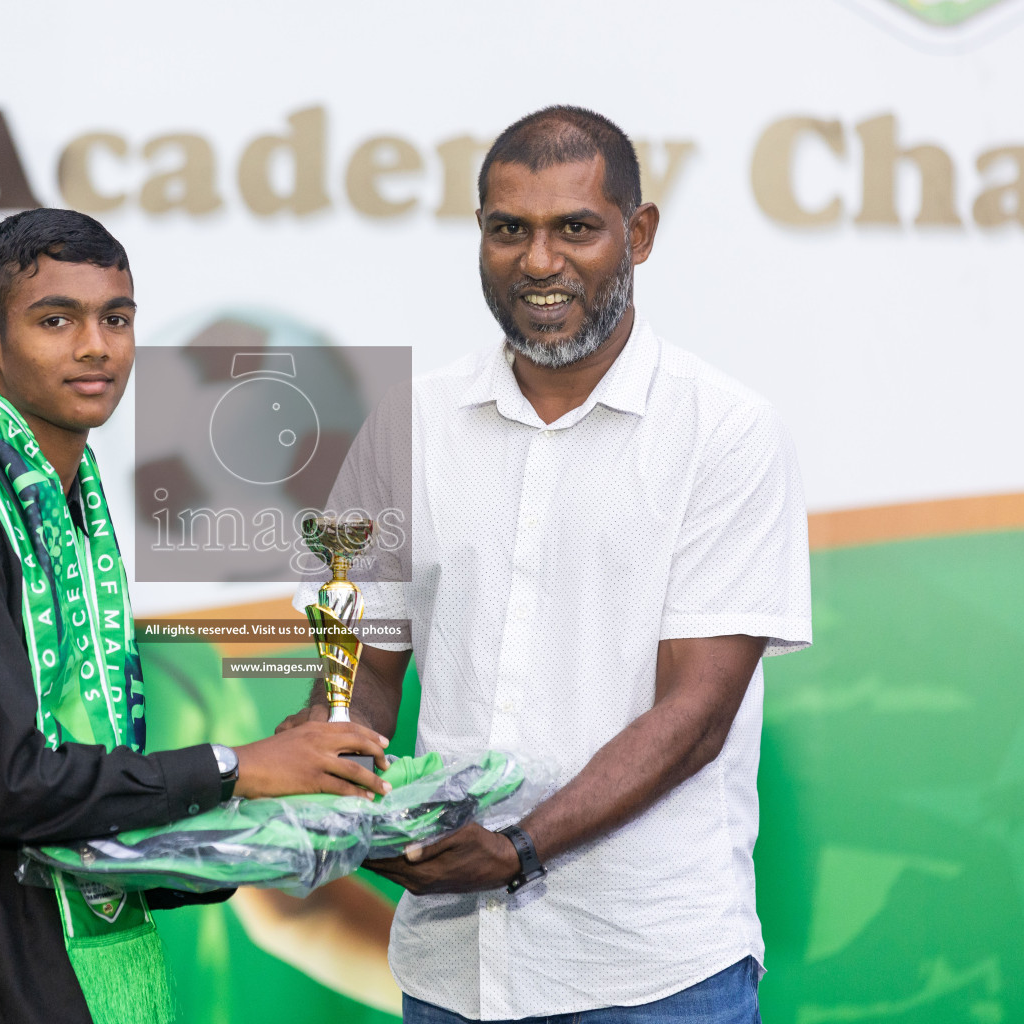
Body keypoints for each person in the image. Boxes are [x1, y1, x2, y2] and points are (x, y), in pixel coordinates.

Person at [283, 106, 813, 1023]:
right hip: (453, 973)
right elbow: (360, 666)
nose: (538, 261)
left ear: (637, 236)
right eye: (508, 229)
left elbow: (696, 713)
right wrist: (340, 779)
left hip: (655, 972)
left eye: (575, 227)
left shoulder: (726, 433)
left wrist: (519, 848)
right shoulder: (408, 422)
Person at [0, 207, 392, 1024]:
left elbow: (87, 815)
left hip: (78, 975)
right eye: (55, 320)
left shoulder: (71, 517)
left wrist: (268, 813)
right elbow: (6, 788)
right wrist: (235, 769)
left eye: (117, 318)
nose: (96, 347)